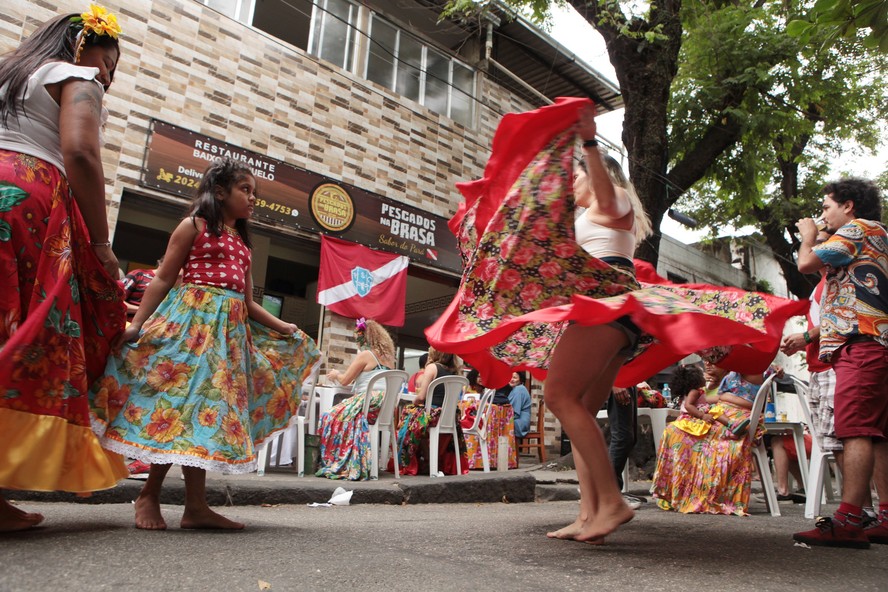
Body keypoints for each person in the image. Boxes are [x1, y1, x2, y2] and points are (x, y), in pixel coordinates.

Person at [424, 98, 806, 542]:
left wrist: (587, 141)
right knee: (582, 408)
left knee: (560, 395)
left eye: (578, 176)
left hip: (606, 306)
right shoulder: (587, 217)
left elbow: (604, 192)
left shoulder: (615, 201)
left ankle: (612, 502)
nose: (573, 182)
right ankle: (591, 514)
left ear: (596, 174)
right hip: (609, 311)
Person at [90, 157, 320, 530]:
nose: (252, 198)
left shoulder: (244, 245)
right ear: (219, 191)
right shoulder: (192, 226)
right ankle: (149, 495)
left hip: (226, 341)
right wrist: (136, 324)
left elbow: (246, 304)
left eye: (255, 192)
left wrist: (286, 326)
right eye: (245, 190)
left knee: (202, 419)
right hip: (189, 330)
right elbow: (164, 279)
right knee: (178, 408)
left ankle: (195, 506)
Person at [0, 6, 127, 532]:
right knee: (31, 336)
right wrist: (100, 243)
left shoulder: (11, 76)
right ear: (83, 49)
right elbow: (81, 154)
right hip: (27, 199)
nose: (107, 78)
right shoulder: (77, 76)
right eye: (109, 65)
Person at [792, 178, 888, 549]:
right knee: (877, 433)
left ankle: (848, 520)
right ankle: (883, 518)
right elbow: (829, 271)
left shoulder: (857, 228)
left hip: (859, 341)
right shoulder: (872, 236)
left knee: (857, 430)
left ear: (848, 206)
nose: (823, 213)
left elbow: (805, 263)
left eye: (827, 205)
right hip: (871, 341)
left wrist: (808, 236)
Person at [652, 365, 777, 515]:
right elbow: (704, 400)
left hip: (736, 414)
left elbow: (751, 400)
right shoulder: (720, 380)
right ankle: (677, 491)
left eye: (712, 361)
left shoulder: (750, 367)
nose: (709, 365)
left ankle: (696, 491)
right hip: (718, 412)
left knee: (680, 433)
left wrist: (718, 398)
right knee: (673, 431)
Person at [315, 318, 396, 481]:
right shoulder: (389, 359)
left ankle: (337, 460)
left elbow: (345, 380)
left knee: (327, 416)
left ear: (363, 337)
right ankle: (347, 457)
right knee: (348, 416)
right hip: (384, 406)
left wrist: (335, 374)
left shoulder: (366, 355)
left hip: (368, 402)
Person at [395, 347, 467, 475]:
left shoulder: (432, 368)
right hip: (451, 418)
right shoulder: (456, 372)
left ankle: (410, 460)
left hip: (433, 416)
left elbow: (421, 397)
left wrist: (414, 401)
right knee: (418, 420)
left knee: (409, 415)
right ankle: (429, 459)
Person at [508, 371, 532, 438]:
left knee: (498, 425)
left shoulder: (519, 389)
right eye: (510, 377)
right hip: (519, 421)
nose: (511, 379)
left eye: (514, 378)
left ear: (520, 380)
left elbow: (514, 413)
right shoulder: (515, 389)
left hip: (520, 423)